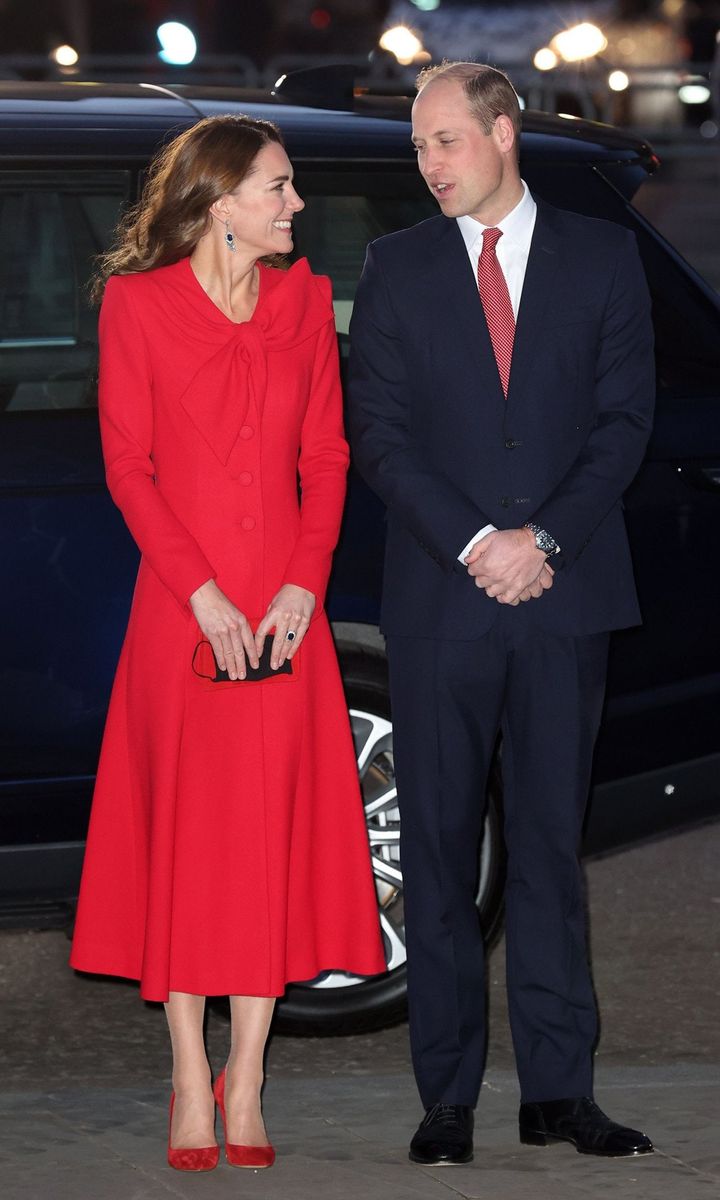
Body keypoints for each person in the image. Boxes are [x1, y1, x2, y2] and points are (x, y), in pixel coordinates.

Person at [348, 62, 656, 1165]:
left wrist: (547, 543)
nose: (426, 164)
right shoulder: (395, 268)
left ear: (503, 132)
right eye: (419, 147)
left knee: (546, 854)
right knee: (435, 853)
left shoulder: (603, 257)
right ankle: (448, 1098)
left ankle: (560, 1092)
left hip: (565, 601)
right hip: (443, 603)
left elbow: (624, 423)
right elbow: (379, 435)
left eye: (443, 141)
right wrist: (482, 546)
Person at [70, 114, 386, 1172]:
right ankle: (183, 1077)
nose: (296, 205)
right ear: (221, 207)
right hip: (183, 612)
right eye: (279, 188)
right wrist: (201, 591)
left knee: (270, 845)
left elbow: (328, 455)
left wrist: (304, 583)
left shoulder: (301, 301)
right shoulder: (138, 304)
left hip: (286, 616)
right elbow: (129, 466)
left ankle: (246, 1076)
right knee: (191, 846)